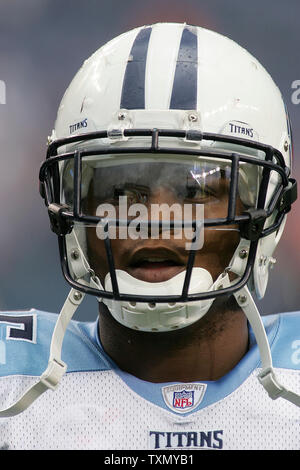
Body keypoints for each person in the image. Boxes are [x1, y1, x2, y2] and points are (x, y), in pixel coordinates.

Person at [0, 22, 299, 451]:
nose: (156, 219)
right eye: (122, 191)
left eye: (194, 191)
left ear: (267, 209)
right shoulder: (11, 383)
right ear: (69, 209)